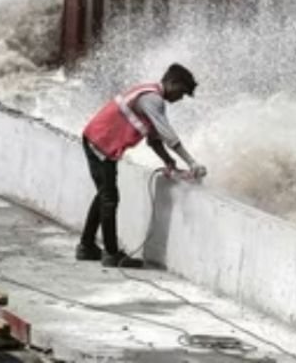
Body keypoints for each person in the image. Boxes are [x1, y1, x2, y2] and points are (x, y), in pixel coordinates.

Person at [78, 63, 206, 268]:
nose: (180, 99)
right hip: (100, 143)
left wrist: (169, 161)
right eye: (181, 92)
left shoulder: (149, 94)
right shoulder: (153, 99)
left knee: (104, 194)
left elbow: (154, 139)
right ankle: (111, 254)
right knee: (109, 198)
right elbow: (167, 134)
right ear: (172, 83)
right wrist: (192, 162)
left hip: (97, 139)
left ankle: (86, 247)